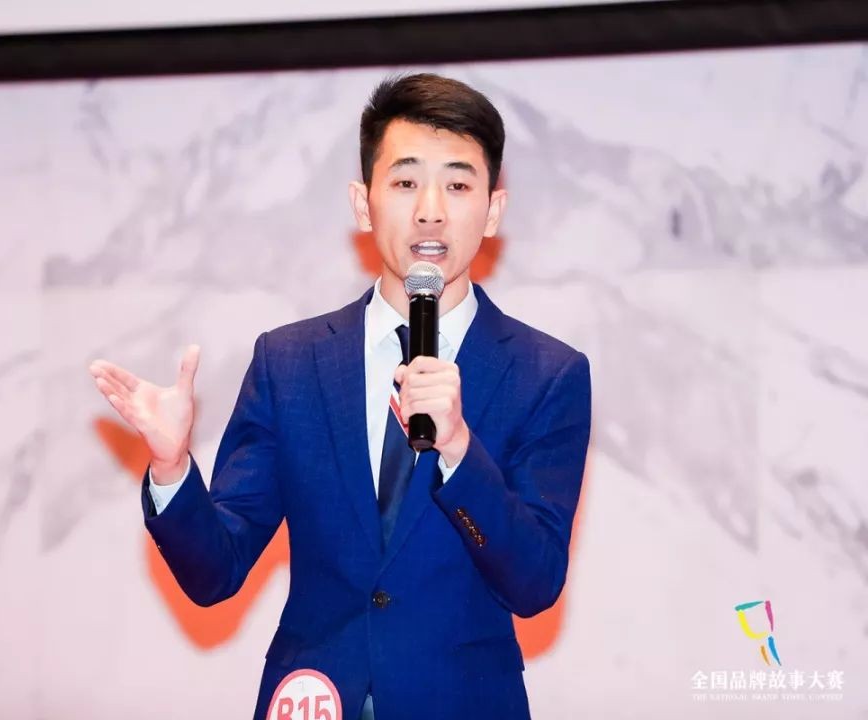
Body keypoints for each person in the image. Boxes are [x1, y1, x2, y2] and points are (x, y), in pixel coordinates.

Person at [89, 73, 591, 720]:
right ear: (362, 204)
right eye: (405, 183)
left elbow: (535, 583)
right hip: (314, 700)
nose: (430, 210)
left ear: (493, 211)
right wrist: (170, 468)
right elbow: (216, 572)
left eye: (458, 185)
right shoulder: (290, 363)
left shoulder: (547, 374)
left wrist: (460, 451)